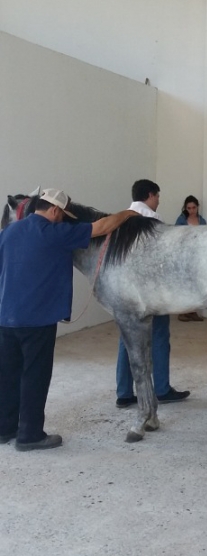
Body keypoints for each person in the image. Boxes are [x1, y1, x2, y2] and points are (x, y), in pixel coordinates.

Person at [0, 189, 137, 451]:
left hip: (5, 319)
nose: (62, 219)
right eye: (62, 214)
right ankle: (30, 436)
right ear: (54, 211)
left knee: (7, 375)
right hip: (37, 320)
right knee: (34, 377)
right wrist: (129, 213)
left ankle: (4, 430)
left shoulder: (8, 232)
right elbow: (101, 227)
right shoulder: (54, 233)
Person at [116, 179, 190, 408]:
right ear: (150, 195)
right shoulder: (154, 221)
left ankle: (124, 393)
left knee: (126, 340)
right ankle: (161, 389)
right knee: (159, 337)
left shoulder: (120, 219)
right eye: (157, 196)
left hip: (126, 292)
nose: (158, 201)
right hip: (151, 292)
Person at [175, 195, 207, 321]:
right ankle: (182, 311)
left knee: (196, 282)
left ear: (197, 208)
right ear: (185, 208)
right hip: (184, 253)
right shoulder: (181, 220)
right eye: (189, 208)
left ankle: (193, 310)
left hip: (197, 253)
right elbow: (176, 236)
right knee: (184, 282)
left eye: (194, 207)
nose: (191, 210)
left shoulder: (202, 220)